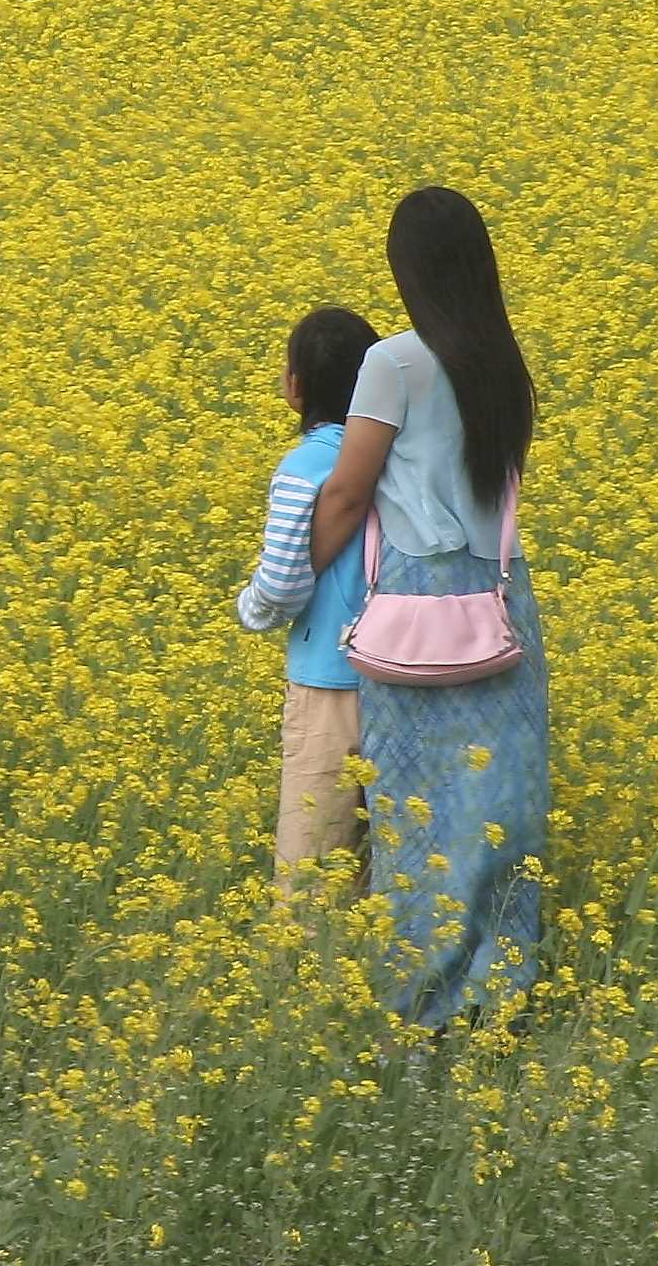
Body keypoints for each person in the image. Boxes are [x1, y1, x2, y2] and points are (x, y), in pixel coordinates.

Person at [310, 186, 550, 1024]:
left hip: (417, 604)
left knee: (419, 817)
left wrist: (294, 582)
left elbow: (346, 492)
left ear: (408, 271)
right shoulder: (502, 361)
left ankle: (421, 1011)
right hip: (499, 601)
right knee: (500, 813)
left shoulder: (395, 363)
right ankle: (502, 1002)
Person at [236, 305, 382, 882]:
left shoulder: (308, 465)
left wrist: (251, 609)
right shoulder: (398, 459)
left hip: (330, 683)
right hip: (413, 678)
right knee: (392, 866)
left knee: (310, 870)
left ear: (295, 386)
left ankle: (298, 971)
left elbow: (282, 583)